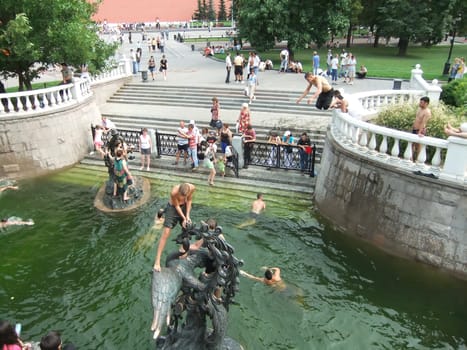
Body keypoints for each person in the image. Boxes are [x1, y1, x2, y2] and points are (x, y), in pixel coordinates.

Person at [153, 182, 196, 271]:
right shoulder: (174, 192)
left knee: (187, 227)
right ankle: (157, 261)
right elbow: (176, 206)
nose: (183, 198)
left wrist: (187, 216)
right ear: (179, 192)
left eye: (185, 196)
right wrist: (183, 218)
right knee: (166, 232)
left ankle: (183, 249)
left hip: (184, 207)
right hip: (173, 207)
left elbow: (189, 201)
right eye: (181, 196)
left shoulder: (192, 188)